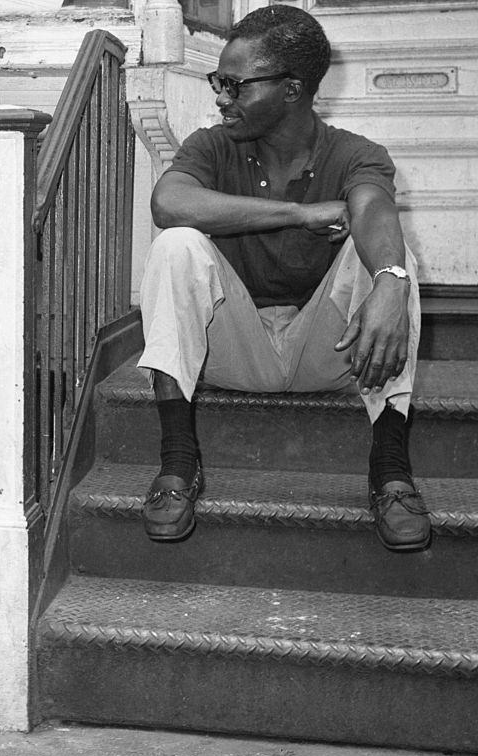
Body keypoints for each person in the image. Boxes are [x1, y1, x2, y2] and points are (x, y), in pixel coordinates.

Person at [137, 5, 430, 552]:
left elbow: (372, 211)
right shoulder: (213, 145)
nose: (220, 97)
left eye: (234, 85)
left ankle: (390, 473)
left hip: (334, 355)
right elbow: (168, 201)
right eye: (217, 82)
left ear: (292, 89)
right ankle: (178, 464)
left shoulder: (356, 154)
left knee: (396, 262)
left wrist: (390, 281)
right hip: (233, 351)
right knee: (176, 245)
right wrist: (303, 213)